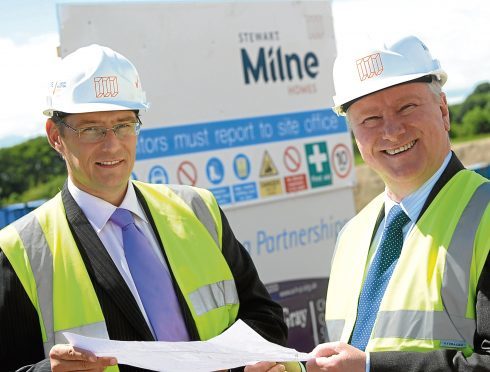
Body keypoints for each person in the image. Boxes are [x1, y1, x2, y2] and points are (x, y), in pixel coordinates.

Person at [0, 44, 291, 372]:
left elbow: (264, 317)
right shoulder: (18, 252)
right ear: (55, 136)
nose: (112, 144)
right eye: (92, 129)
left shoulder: (198, 209)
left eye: (123, 125)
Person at [306, 36, 490, 371]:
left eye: (407, 107)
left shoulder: (486, 214)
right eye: (370, 120)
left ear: (443, 111)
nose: (392, 131)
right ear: (355, 135)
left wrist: (373, 368)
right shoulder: (351, 235)